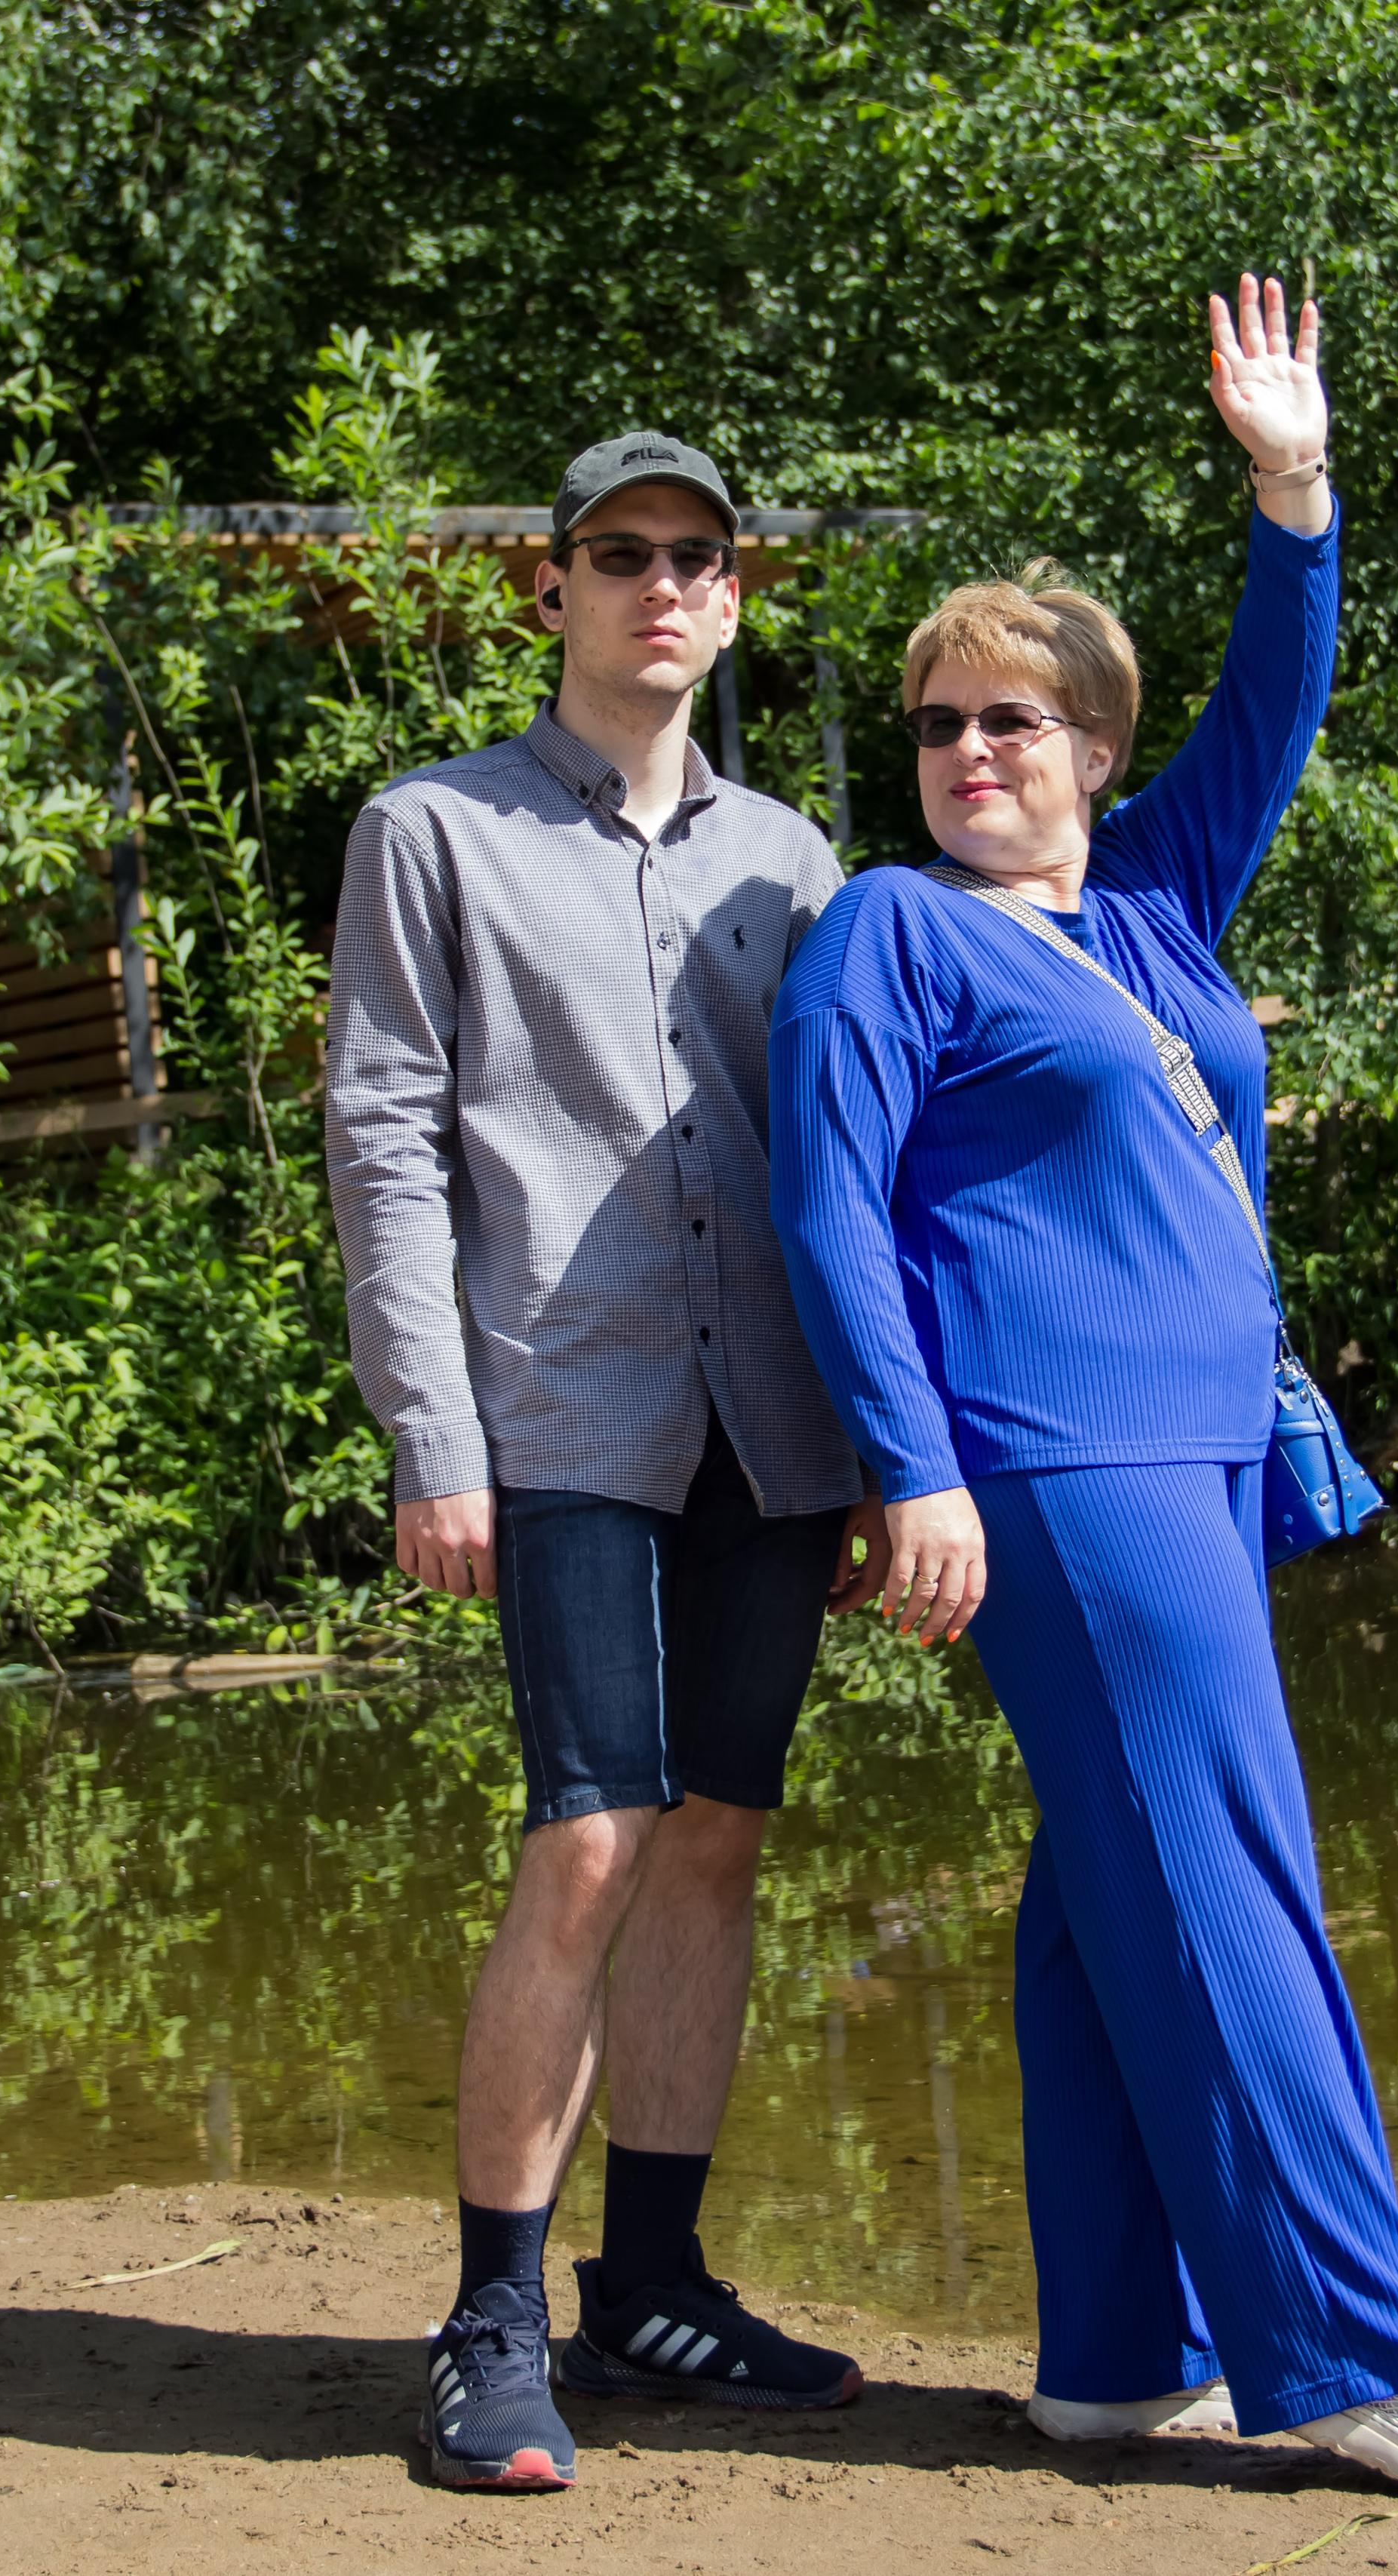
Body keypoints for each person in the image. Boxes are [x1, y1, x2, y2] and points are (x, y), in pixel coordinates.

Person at [767, 278, 1398, 2512]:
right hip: (1053, 1462)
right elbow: (834, 1217)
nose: (971, 754)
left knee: (1104, 1888)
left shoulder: (1144, 910)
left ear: (1096, 748)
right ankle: (1373, 2352)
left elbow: (1276, 714)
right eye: (942, 725)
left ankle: (1121, 2356)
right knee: (1229, 1871)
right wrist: (912, 1472)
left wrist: (1292, 487)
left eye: (1016, 721)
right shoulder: (890, 933)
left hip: (1209, 1451)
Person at [326, 430, 886, 2494]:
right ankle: (489, 2320)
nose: (662, 584)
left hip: (778, 1422)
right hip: (563, 1406)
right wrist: (431, 1433)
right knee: (589, 1837)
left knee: (718, 1839)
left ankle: (649, 2284)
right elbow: (385, 1139)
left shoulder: (798, 863)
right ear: (551, 588)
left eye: (697, 557)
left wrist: (889, 1439)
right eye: (622, 552)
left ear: (732, 602)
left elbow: (852, 1160)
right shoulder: (433, 832)